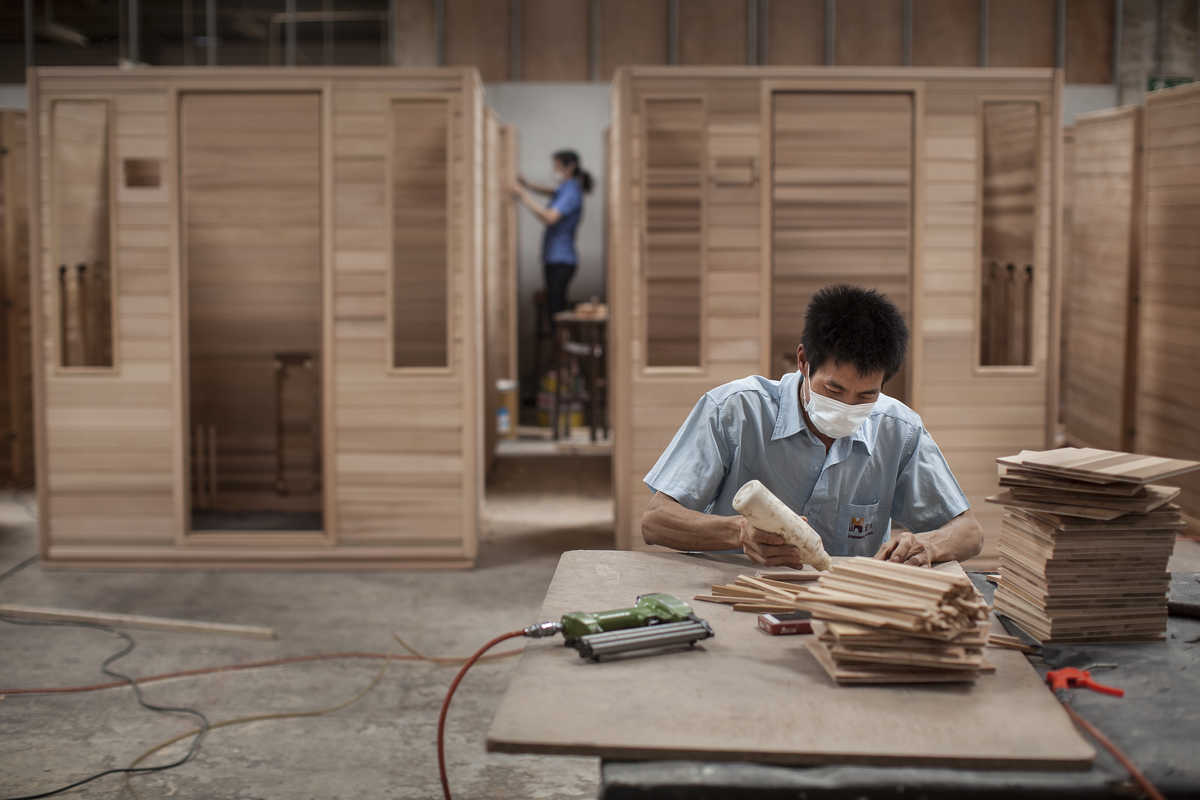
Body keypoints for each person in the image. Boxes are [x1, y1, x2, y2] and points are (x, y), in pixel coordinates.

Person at [640, 284, 983, 568]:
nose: (846, 406)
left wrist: (928, 545)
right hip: (738, 594)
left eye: (866, 395)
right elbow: (655, 521)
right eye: (833, 390)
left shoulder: (898, 430)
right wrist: (738, 532)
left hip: (843, 606)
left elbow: (969, 531)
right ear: (803, 361)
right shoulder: (735, 410)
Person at [513, 149, 593, 318]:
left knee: (557, 311)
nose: (554, 171)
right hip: (555, 258)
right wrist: (527, 185)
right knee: (555, 307)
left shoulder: (571, 191)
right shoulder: (566, 187)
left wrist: (523, 196)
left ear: (570, 167)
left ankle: (563, 344)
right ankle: (563, 343)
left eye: (556, 167)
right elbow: (551, 192)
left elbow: (550, 218)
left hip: (561, 260)